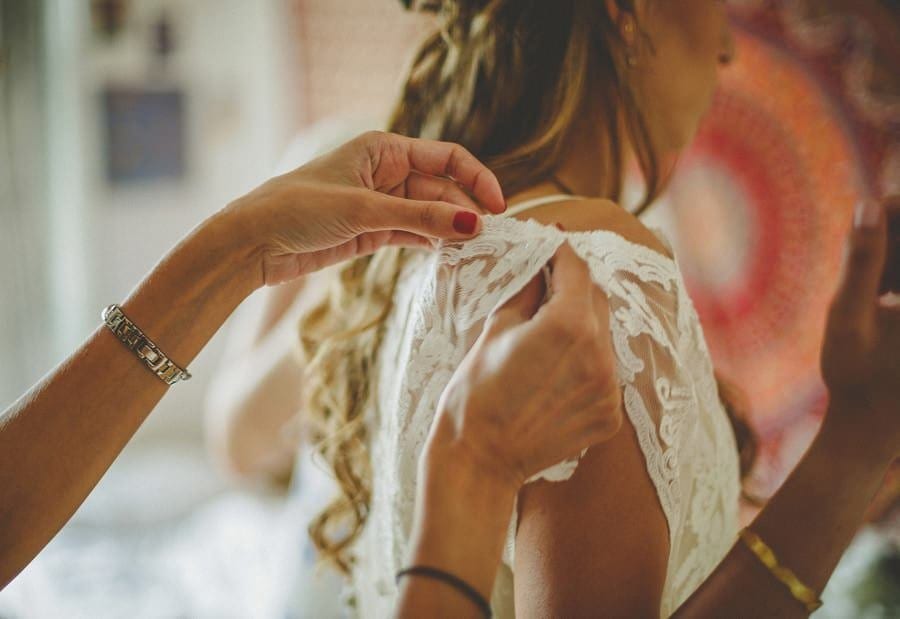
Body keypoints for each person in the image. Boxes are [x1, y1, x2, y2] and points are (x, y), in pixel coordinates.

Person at [223, 1, 893, 617]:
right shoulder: (591, 268)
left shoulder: (412, 254)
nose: (725, 42)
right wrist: (850, 453)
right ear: (624, 11)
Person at [0, 130, 621, 591]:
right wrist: (339, 308)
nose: (725, 46)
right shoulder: (339, 148)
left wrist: (244, 242)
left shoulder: (602, 243)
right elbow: (234, 443)